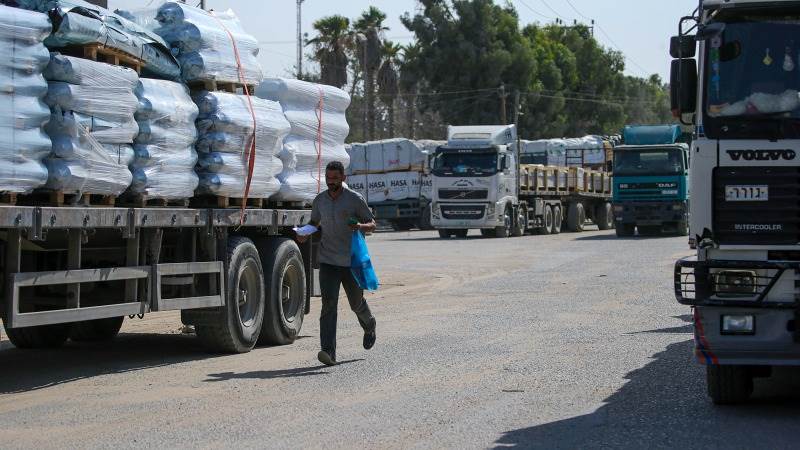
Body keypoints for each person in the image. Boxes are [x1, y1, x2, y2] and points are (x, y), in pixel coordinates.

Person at [296, 161, 377, 366]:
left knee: (356, 303)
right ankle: (328, 352)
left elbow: (372, 224)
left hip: (351, 261)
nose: (331, 182)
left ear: (343, 178)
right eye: (328, 178)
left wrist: (359, 226)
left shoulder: (354, 200)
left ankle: (369, 324)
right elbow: (314, 223)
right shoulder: (320, 201)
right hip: (328, 261)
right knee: (328, 305)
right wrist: (305, 233)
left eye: (335, 178)